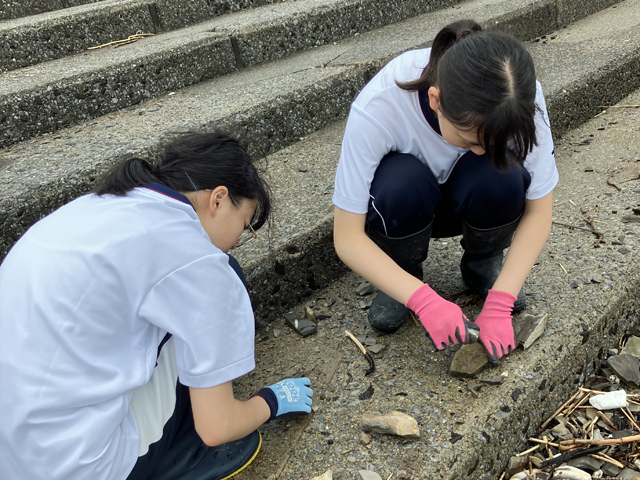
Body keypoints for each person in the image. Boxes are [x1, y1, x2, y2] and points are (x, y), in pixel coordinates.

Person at [0, 132, 313, 480]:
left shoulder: (95, 204)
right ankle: (177, 457)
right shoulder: (197, 261)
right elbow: (218, 428)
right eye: (245, 223)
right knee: (230, 276)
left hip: (13, 452)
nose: (239, 239)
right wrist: (269, 402)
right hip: (80, 467)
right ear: (219, 199)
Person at [332, 20, 557, 365]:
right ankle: (401, 273)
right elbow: (346, 237)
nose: (480, 151)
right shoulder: (381, 105)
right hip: (406, 206)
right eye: (470, 140)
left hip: (473, 196)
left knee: (502, 174)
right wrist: (421, 299)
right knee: (398, 182)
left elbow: (540, 210)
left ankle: (483, 262)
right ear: (435, 99)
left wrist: (501, 300)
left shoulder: (519, 98)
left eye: (490, 143)